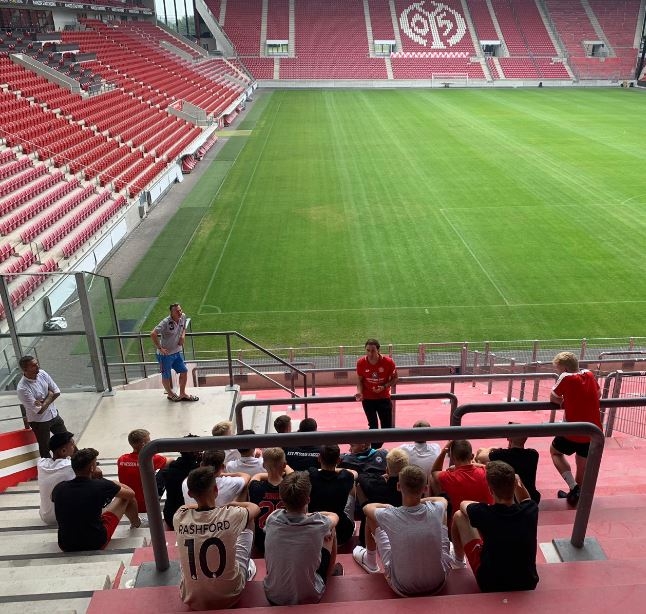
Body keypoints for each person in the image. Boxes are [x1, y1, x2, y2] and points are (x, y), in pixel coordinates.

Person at [352, 465, 451, 596]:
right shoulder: (436, 508)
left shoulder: (390, 514)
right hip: (438, 581)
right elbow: (442, 500)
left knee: (371, 517)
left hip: (402, 587)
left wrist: (387, 506)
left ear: (398, 486)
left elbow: (367, 508)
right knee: (442, 512)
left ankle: (370, 561)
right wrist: (421, 500)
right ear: (425, 489)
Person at [174, 466, 260, 610]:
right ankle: (247, 568)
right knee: (248, 520)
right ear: (216, 490)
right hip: (230, 596)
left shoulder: (179, 517)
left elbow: (185, 507)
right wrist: (231, 504)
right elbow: (254, 508)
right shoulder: (231, 515)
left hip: (191, 599)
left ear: (190, 493)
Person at [450, 460, 539, 593]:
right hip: (527, 582)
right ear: (515, 484)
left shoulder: (483, 512)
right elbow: (526, 499)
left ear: (491, 490)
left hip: (490, 584)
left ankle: (458, 561)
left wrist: (484, 507)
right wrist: (517, 482)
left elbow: (463, 504)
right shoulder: (531, 510)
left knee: (459, 515)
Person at [263, 471, 340, 605]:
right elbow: (334, 516)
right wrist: (312, 516)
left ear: (282, 499)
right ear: (308, 499)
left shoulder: (272, 518)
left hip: (273, 597)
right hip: (310, 597)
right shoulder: (319, 523)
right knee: (331, 530)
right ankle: (330, 572)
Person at [52, 448, 141, 551]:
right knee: (125, 498)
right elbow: (131, 494)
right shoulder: (101, 485)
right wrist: (110, 482)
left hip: (65, 544)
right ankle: (136, 523)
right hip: (95, 543)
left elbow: (53, 498)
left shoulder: (59, 487)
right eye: (96, 464)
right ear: (92, 468)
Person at [549, 351, 602, 507]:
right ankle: (577, 494)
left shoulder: (565, 377)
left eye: (558, 369)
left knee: (555, 452)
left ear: (564, 368)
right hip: (592, 431)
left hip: (572, 430)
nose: (558, 372)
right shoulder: (589, 374)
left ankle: (573, 488)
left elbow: (553, 397)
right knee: (582, 465)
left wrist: (565, 402)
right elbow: (598, 393)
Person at [430, 440, 493, 526]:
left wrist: (444, 451)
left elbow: (434, 471)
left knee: (433, 479)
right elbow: (488, 467)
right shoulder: (487, 472)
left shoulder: (449, 477)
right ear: (472, 456)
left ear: (452, 458)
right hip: (488, 524)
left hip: (459, 526)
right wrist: (475, 465)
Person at [16, 356, 68, 458]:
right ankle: (48, 467)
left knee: (67, 440)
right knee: (45, 448)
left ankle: (84, 461)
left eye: (37, 363)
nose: (37, 366)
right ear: (25, 369)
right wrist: (50, 395)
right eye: (33, 365)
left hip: (54, 415)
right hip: (39, 422)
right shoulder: (22, 388)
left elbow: (57, 392)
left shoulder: (42, 373)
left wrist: (44, 402)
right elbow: (39, 411)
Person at [476, 424, 541, 503]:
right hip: (532, 497)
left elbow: (480, 456)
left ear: (508, 438)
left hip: (511, 499)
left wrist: (490, 449)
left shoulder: (502, 454)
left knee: (480, 454)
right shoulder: (533, 454)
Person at [308, 445, 358, 545]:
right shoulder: (346, 476)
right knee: (353, 484)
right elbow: (354, 473)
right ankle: (350, 520)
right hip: (342, 533)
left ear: (319, 458)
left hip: (314, 532)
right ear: (339, 460)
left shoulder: (311, 474)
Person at [150, 303, 198, 402]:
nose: (180, 312)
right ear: (171, 313)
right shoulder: (165, 322)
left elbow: (184, 327)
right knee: (166, 375)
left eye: (180, 310)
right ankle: (170, 394)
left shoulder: (183, 316)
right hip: (165, 355)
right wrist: (160, 348)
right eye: (177, 311)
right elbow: (153, 333)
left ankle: (182, 393)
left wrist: (183, 337)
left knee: (184, 371)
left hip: (177, 352)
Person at [355, 339, 398, 448]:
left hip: (384, 398)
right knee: (373, 426)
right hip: (368, 400)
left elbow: (395, 379)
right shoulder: (361, 363)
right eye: (368, 350)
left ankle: (372, 448)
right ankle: (373, 450)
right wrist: (359, 392)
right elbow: (359, 380)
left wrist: (384, 386)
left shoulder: (389, 362)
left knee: (387, 429)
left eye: (373, 350)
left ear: (378, 350)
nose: (370, 353)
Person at [117, 429, 170, 516]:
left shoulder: (121, 459)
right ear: (143, 444)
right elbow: (171, 461)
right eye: (149, 441)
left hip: (129, 504)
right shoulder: (151, 459)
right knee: (166, 469)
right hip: (147, 504)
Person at [248, 447, 290, 553]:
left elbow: (257, 476)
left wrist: (271, 471)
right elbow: (292, 474)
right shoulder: (291, 488)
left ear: (263, 466)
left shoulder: (255, 487)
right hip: (285, 541)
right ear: (284, 465)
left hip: (262, 542)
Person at [159, 435, 201, 529]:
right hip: (191, 518)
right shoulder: (200, 472)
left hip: (171, 516)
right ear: (196, 452)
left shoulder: (170, 469)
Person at [182, 449, 250, 507]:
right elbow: (246, 476)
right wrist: (222, 474)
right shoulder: (231, 482)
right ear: (222, 467)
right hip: (223, 516)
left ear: (201, 465)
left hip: (194, 517)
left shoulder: (186, 482)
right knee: (244, 487)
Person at [38, 431, 76, 525]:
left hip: (45, 516)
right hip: (65, 517)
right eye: (72, 445)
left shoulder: (41, 464)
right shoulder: (70, 467)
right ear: (63, 451)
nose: (74, 447)